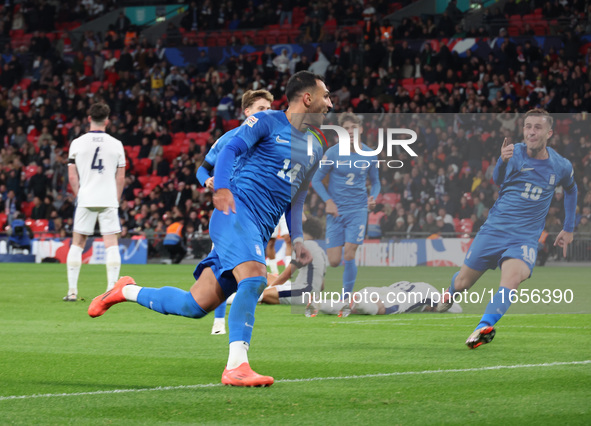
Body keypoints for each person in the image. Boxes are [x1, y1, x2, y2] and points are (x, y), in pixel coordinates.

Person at [88, 71, 332, 387]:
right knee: (256, 276)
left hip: (257, 228)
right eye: (325, 95)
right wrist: (222, 188)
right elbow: (228, 152)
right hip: (234, 213)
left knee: (195, 305)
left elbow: (296, 197)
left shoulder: (316, 144)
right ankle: (236, 366)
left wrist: (297, 237)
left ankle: (125, 290)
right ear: (307, 98)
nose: (329, 103)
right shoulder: (267, 122)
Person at [436, 109, 577, 349]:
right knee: (462, 283)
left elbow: (572, 190)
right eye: (528, 126)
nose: (532, 132)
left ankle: (483, 327)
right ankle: (450, 293)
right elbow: (497, 179)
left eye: (537, 127)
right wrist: (502, 160)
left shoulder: (560, 166)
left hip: (524, 238)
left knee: (511, 279)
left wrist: (569, 227)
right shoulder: (515, 153)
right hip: (494, 230)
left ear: (549, 133)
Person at [195, 89, 274, 336]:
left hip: (257, 213)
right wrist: (208, 181)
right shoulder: (229, 139)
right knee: (227, 269)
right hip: (231, 211)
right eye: (262, 109)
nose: (267, 113)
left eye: (270, 109)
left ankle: (232, 322)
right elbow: (202, 169)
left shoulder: (272, 138)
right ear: (247, 112)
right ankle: (220, 322)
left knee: (250, 271)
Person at [311, 112, 380, 306]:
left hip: (358, 210)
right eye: (346, 129)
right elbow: (316, 179)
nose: (350, 131)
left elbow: (375, 182)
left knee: (349, 253)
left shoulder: (370, 154)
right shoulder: (332, 153)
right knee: (334, 260)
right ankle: (318, 276)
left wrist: (373, 196)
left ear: (360, 129)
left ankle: (346, 297)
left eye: (353, 128)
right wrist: (328, 201)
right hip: (336, 212)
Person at [65, 103, 125, 301]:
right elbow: (120, 177)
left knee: (78, 243)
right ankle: (111, 290)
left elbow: (72, 176)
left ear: (89, 118)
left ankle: (72, 292)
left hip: (86, 198)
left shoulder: (77, 143)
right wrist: (115, 199)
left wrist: (79, 195)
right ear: (107, 121)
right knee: (111, 243)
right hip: (108, 198)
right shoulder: (116, 144)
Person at [306, 281, 463, 317]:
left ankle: (319, 303)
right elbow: (456, 309)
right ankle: (358, 302)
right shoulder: (429, 292)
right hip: (396, 298)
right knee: (381, 309)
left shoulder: (409, 284)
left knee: (348, 309)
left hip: (377, 290)